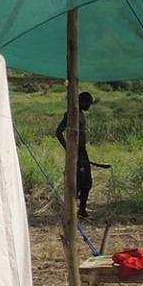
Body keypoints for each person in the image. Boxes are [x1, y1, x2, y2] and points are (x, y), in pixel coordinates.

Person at [55, 90, 112, 218]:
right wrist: (68, 149)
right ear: (81, 101)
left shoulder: (80, 114)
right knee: (78, 182)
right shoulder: (71, 114)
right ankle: (73, 210)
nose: (89, 106)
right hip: (76, 153)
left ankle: (81, 210)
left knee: (86, 183)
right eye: (88, 103)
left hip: (82, 152)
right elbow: (58, 132)